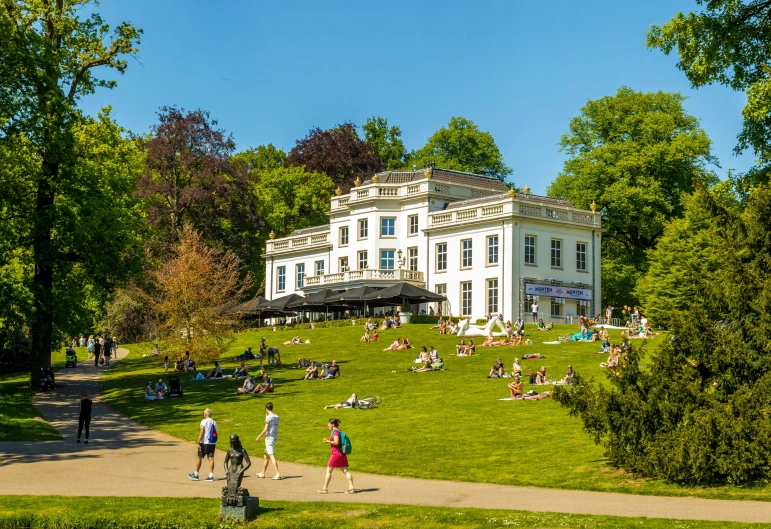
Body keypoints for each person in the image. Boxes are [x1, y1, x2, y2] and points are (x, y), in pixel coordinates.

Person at [318, 418, 355, 494]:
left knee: (328, 470)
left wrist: (328, 441)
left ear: (333, 425)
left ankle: (325, 488)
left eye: (329, 424)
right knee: (345, 471)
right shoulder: (339, 431)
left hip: (336, 454)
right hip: (341, 454)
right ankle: (351, 487)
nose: (328, 425)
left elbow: (336, 442)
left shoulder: (335, 432)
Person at [189, 408, 217, 481]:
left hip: (204, 443)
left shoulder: (203, 421)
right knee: (211, 458)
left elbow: (202, 432)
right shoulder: (214, 422)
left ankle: (196, 474)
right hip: (212, 443)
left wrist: (198, 442)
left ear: (205, 414)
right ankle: (211, 475)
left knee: (199, 457)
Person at [254, 402, 281, 480]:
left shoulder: (268, 417)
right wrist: (267, 416)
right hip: (275, 437)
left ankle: (277, 473)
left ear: (266, 408)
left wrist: (258, 436)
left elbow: (266, 429)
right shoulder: (277, 417)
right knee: (266, 455)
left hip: (269, 438)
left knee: (271, 455)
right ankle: (262, 473)